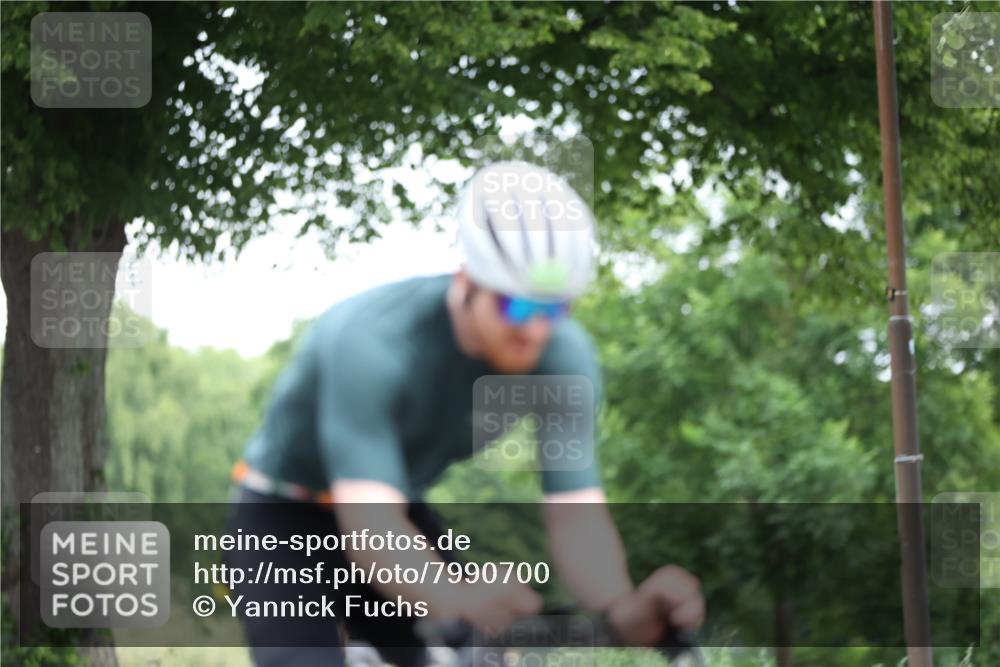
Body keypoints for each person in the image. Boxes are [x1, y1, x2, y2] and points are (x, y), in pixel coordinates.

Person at [225, 161, 705, 666]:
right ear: (467, 279)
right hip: (284, 513)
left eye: (553, 309)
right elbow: (367, 522)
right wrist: (456, 596)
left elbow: (574, 515)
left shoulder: (563, 358)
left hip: (395, 509)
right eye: (516, 308)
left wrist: (620, 609)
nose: (535, 331)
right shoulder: (371, 342)